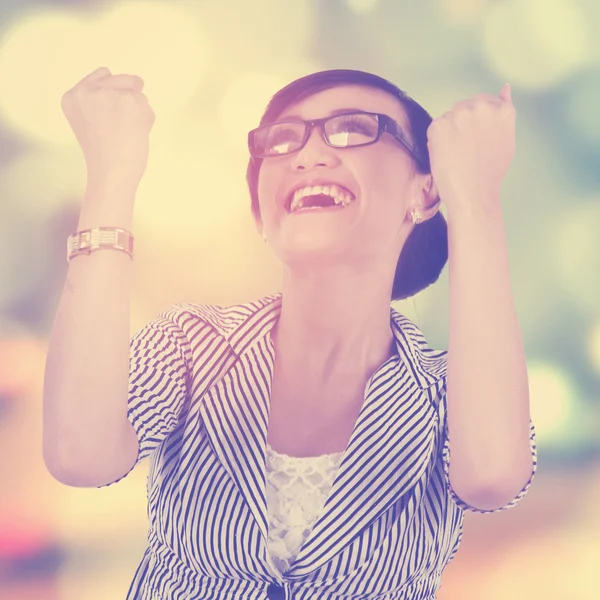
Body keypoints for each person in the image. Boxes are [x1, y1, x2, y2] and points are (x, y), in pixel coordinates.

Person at [43, 67, 538, 600]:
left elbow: (491, 478)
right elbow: (80, 454)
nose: (307, 153)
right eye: (280, 141)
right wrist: (112, 174)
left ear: (425, 192)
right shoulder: (187, 346)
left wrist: (476, 199)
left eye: (352, 129)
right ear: (259, 209)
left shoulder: (446, 395)